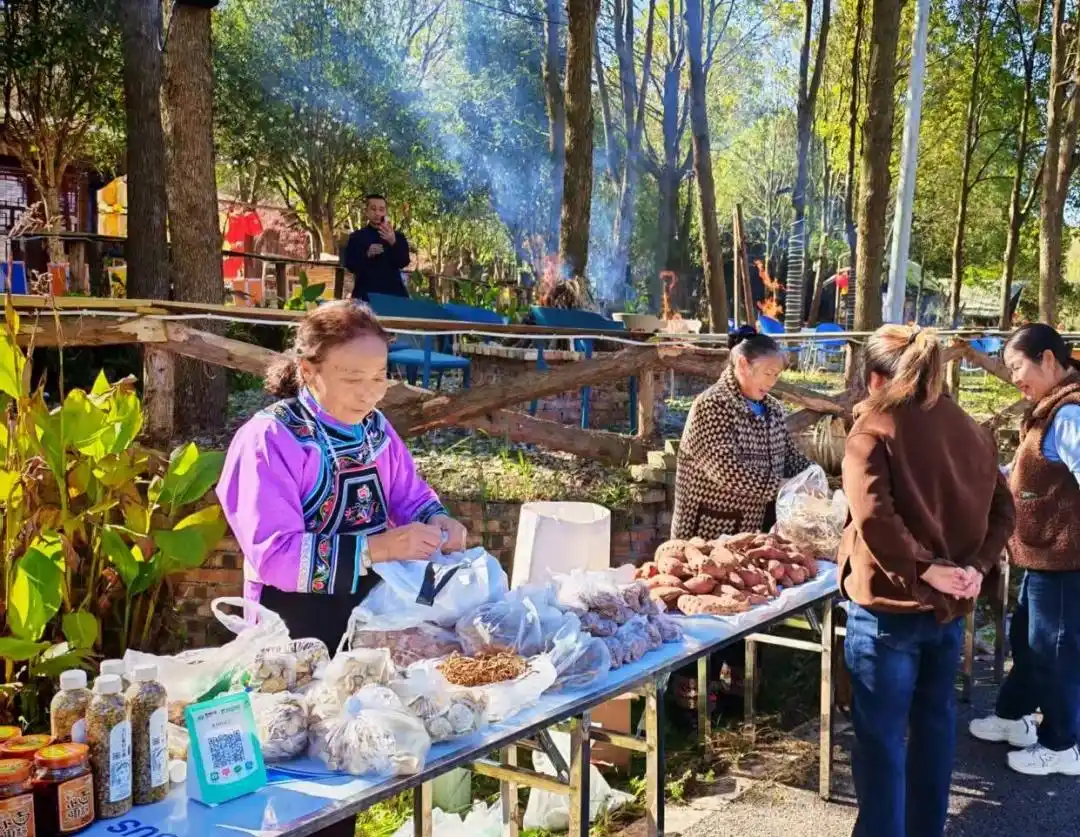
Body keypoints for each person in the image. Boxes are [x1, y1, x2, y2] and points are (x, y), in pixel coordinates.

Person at [839, 325, 1014, 837]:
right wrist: (975, 567)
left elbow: (873, 517)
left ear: (874, 378)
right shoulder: (971, 428)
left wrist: (922, 568)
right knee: (935, 731)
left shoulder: (873, 428)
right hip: (948, 609)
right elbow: (1006, 511)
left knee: (881, 743)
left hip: (889, 608)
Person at [216, 301, 469, 650]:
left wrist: (438, 520)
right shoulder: (269, 439)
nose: (369, 393)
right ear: (307, 370)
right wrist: (380, 547)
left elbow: (410, 495)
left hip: (373, 612)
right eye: (352, 378)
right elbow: (276, 557)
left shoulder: (374, 429)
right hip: (291, 621)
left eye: (379, 377)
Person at [969, 323, 1080, 776]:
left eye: (1018, 367)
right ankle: (1014, 717)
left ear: (1049, 360)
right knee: (1027, 640)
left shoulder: (1070, 414)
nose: (1014, 377)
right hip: (1039, 552)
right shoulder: (1048, 410)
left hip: (1064, 556)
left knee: (1053, 648)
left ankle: (1062, 744)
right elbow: (1031, 469)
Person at [671, 325, 810, 539]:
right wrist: (781, 487)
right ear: (743, 365)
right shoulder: (712, 405)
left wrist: (811, 475)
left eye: (776, 375)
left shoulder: (772, 408)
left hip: (760, 524)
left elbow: (788, 454)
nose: (772, 382)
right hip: (713, 527)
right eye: (768, 373)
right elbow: (725, 469)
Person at [343, 194, 411, 301]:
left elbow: (404, 262)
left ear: (386, 212)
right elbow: (350, 265)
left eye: (381, 209)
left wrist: (393, 243)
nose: (377, 213)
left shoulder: (398, 236)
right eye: (373, 209)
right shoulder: (356, 237)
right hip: (365, 296)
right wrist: (367, 254)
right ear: (366, 212)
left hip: (394, 296)